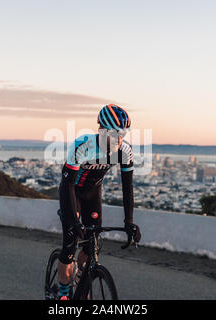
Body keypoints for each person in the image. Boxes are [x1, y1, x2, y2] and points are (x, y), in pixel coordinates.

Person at [57, 104, 141, 300]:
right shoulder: (82, 145)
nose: (119, 139)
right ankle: (62, 292)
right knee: (70, 246)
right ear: (102, 130)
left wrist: (129, 222)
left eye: (124, 133)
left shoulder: (125, 151)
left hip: (93, 194)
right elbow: (68, 184)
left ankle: (81, 279)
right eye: (114, 134)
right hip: (72, 192)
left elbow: (127, 188)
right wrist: (74, 222)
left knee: (90, 247)